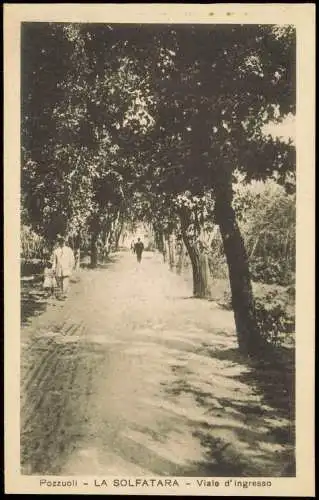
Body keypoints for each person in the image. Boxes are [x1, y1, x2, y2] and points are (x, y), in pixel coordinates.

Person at [52, 235, 75, 299]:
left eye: (62, 241)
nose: (61, 242)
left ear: (64, 242)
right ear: (58, 242)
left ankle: (64, 294)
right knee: (59, 283)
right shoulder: (56, 251)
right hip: (59, 269)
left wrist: (71, 268)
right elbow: (54, 261)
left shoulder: (69, 250)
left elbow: (72, 260)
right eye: (60, 241)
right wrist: (53, 268)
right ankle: (61, 294)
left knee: (65, 282)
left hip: (66, 268)